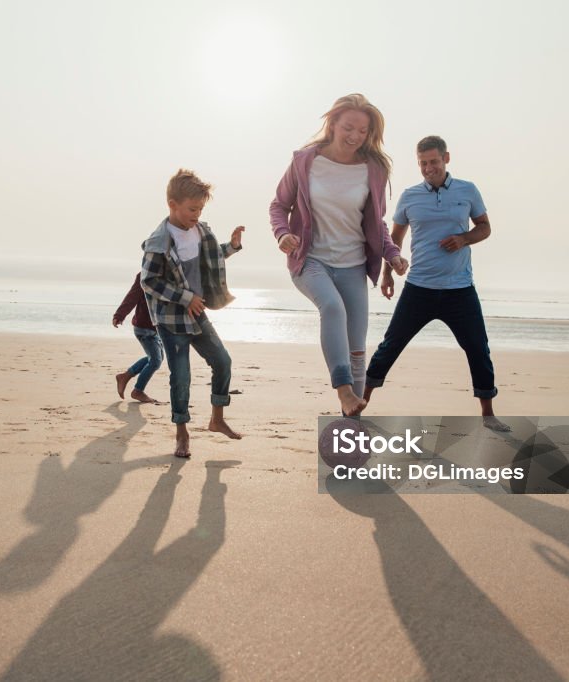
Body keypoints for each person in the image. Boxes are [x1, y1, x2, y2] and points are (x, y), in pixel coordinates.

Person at [269, 93, 408, 417]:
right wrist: (283, 234)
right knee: (331, 308)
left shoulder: (373, 169)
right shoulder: (305, 161)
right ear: (332, 124)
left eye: (363, 131)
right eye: (349, 127)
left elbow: (377, 223)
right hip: (310, 259)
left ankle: (352, 431)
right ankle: (344, 391)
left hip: (353, 267)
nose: (355, 136)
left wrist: (392, 255)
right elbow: (279, 205)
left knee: (358, 352)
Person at [364, 135, 510, 431]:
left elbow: (485, 228)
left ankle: (488, 414)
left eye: (433, 161)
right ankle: (358, 403)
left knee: (478, 349)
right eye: (422, 163)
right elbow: (395, 239)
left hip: (460, 290)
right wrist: (387, 273)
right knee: (390, 346)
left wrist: (464, 239)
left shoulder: (467, 191)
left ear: (446, 158)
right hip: (419, 289)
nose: (428, 168)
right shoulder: (410, 196)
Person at [140, 169, 245, 458]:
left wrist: (232, 246)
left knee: (223, 361)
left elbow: (209, 259)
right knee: (181, 377)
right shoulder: (159, 241)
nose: (196, 214)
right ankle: (182, 434)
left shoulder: (200, 230)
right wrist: (185, 297)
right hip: (172, 321)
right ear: (172, 205)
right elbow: (148, 281)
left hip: (197, 315)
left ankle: (217, 419)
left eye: (200, 208)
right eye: (191, 209)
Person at [112, 274, 163, 404]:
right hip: (144, 327)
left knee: (156, 358)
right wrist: (119, 315)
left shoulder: (169, 273)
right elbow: (132, 296)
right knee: (155, 361)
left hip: (156, 328)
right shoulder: (145, 275)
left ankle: (125, 376)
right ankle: (138, 391)